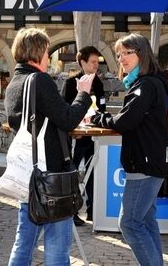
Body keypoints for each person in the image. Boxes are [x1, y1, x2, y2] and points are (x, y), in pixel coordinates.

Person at [4, 27, 94, 266]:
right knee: (57, 245)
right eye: (46, 50)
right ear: (37, 52)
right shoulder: (40, 80)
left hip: (29, 174)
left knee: (24, 243)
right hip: (52, 174)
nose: (48, 55)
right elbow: (66, 119)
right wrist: (83, 94)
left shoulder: (14, 83)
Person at [90, 33, 168, 266]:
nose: (122, 59)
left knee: (129, 223)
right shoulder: (146, 83)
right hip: (151, 161)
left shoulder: (145, 85)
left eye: (128, 53)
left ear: (142, 54)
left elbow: (125, 122)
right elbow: (132, 118)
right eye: (119, 54)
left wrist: (98, 118)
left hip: (144, 163)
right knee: (145, 220)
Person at [62, 45, 105, 225]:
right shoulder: (71, 83)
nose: (96, 65)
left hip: (93, 136)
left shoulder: (99, 83)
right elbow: (64, 110)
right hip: (75, 137)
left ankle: (93, 210)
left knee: (93, 172)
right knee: (72, 173)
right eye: (93, 62)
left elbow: (102, 107)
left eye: (97, 62)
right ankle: (71, 212)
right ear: (83, 63)